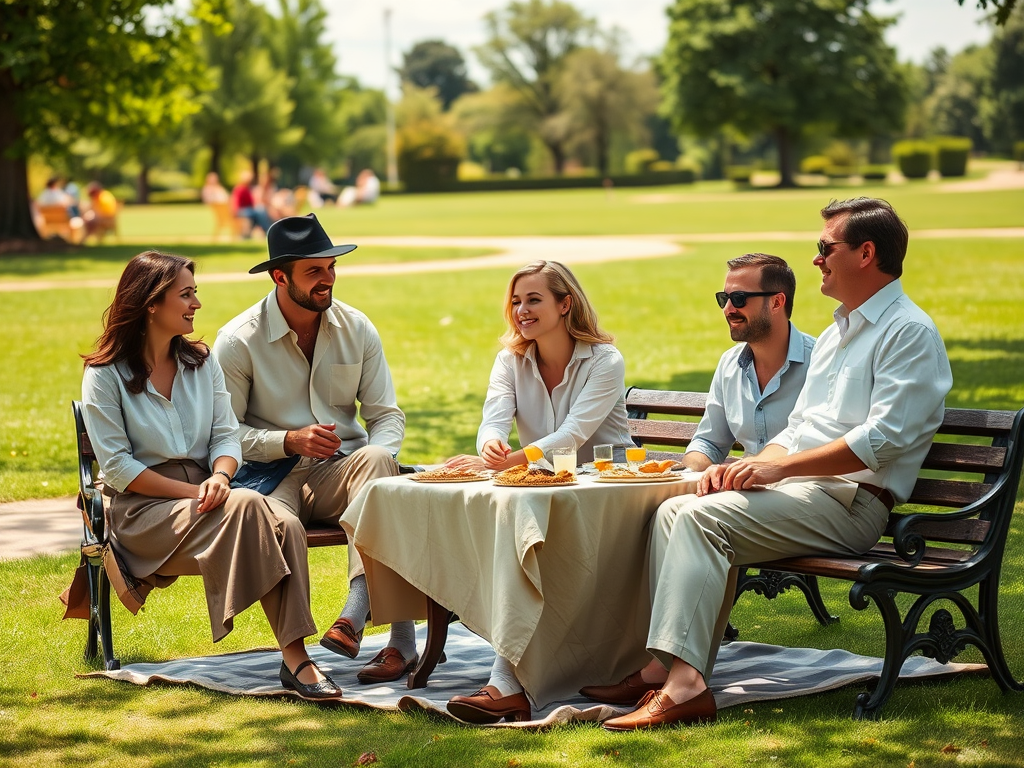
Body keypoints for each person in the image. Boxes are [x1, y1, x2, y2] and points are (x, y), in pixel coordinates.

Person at [594, 197, 953, 731]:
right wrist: (747, 466)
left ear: (866, 253)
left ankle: (686, 686)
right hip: (808, 495)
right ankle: (660, 669)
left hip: (853, 504)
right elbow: (800, 428)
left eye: (825, 248)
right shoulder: (837, 335)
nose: (817, 260)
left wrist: (778, 470)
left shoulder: (908, 332)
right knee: (680, 507)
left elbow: (883, 440)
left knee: (699, 519)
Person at [80, 251, 341, 700]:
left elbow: (226, 437)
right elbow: (119, 467)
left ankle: (296, 659)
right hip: (144, 512)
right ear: (150, 304)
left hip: (210, 499)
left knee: (284, 522)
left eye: (194, 293)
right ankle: (299, 661)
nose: (196, 304)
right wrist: (199, 489)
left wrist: (221, 475)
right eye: (186, 294)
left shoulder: (202, 362)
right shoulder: (104, 376)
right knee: (252, 506)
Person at [579, 252, 814, 708]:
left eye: (740, 297)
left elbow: (809, 442)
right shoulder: (731, 364)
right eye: (724, 297)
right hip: (750, 495)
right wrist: (695, 470)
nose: (729, 306)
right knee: (664, 509)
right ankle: (659, 667)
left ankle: (678, 680)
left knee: (693, 520)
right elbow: (708, 442)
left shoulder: (821, 362)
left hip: (802, 495)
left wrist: (737, 475)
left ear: (778, 302)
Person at [212, 213, 415, 685]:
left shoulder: (357, 327)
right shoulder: (238, 341)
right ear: (280, 277)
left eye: (330, 268)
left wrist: (379, 454)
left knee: (382, 463)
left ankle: (354, 613)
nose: (328, 280)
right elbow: (221, 436)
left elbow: (386, 415)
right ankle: (299, 658)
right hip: (269, 477)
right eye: (314, 272)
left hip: (339, 474)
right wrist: (287, 440)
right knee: (280, 524)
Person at [444, 260, 634, 723]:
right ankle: (496, 673)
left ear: (565, 304)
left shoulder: (604, 360)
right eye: (515, 301)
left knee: (520, 524)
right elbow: (494, 416)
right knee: (495, 517)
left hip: (607, 489)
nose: (521, 311)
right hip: (546, 486)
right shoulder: (511, 359)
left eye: (533, 300)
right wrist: (490, 444)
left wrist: (517, 459)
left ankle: (505, 684)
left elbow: (573, 435)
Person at [230, 170, 272, 236]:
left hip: (247, 210)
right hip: (240, 211)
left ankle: (265, 230)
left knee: (259, 211)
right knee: (259, 212)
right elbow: (236, 203)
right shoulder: (239, 189)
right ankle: (267, 230)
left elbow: (251, 202)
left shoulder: (247, 189)